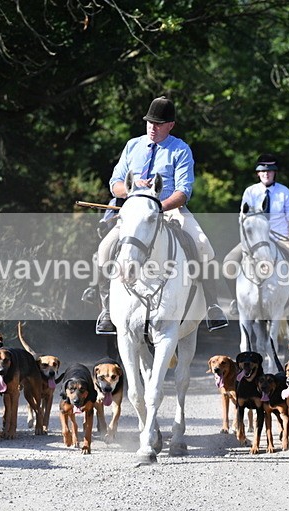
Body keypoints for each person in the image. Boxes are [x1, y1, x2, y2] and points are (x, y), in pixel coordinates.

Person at [88, 96, 229, 335]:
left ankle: (213, 306)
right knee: (104, 248)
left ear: (170, 125)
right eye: (149, 122)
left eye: (158, 123)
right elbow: (115, 184)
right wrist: (132, 190)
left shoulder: (180, 149)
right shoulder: (132, 146)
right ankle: (107, 311)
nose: (152, 127)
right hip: (134, 211)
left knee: (203, 245)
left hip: (169, 209)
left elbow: (184, 191)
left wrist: (158, 207)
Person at [224, 153, 289, 317]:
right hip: (255, 240)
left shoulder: (284, 192)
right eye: (263, 171)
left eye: (269, 171)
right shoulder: (250, 192)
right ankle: (235, 299)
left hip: (280, 238)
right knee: (229, 262)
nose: (266, 174)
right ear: (258, 173)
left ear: (274, 172)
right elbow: (243, 218)